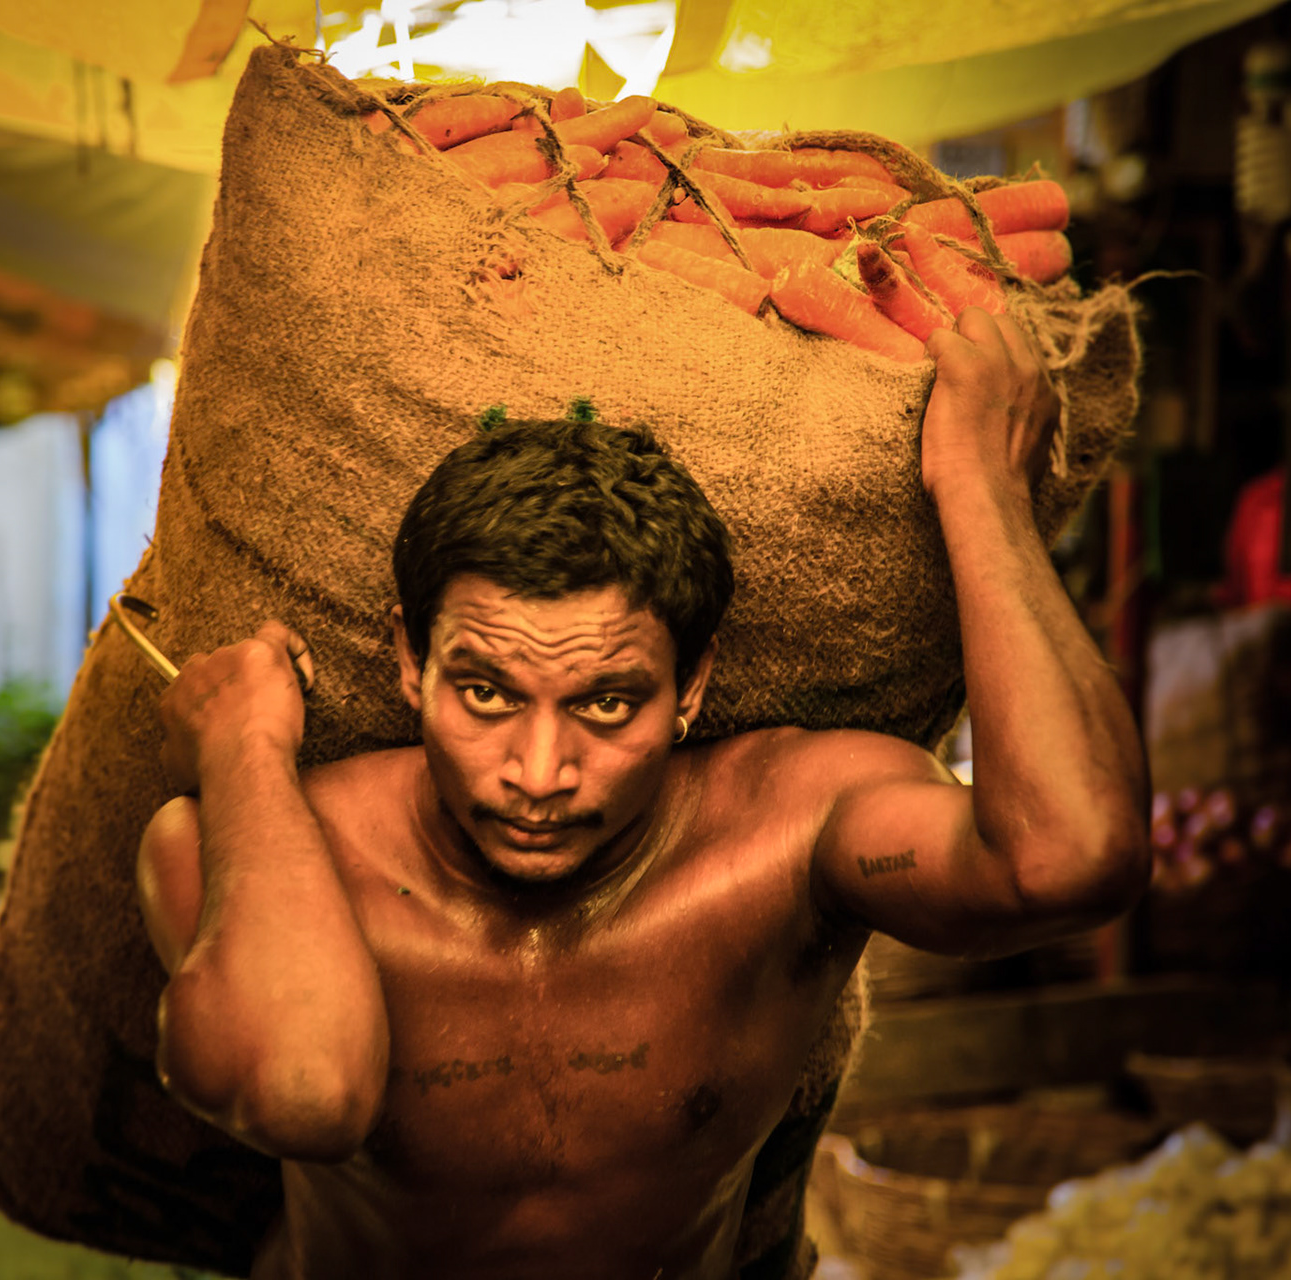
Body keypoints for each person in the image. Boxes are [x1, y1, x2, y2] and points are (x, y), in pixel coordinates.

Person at [138, 310, 1151, 1278]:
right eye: (485, 692)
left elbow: (1068, 856)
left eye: (608, 702)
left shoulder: (786, 835)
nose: (538, 773)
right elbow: (302, 1090)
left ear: (693, 686)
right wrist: (246, 748)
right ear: (410, 661)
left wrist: (980, 489)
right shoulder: (246, 843)